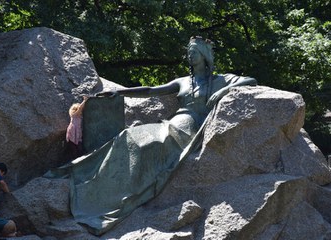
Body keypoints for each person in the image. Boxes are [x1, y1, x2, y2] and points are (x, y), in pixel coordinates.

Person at [46, 36, 257, 235]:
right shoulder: (182, 82)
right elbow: (150, 90)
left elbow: (250, 80)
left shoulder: (220, 80)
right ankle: (99, 185)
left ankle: (120, 195)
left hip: (190, 128)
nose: (189, 56)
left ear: (204, 55)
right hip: (173, 122)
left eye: (194, 52)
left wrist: (222, 92)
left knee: (156, 143)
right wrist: (120, 93)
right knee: (129, 136)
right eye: (188, 52)